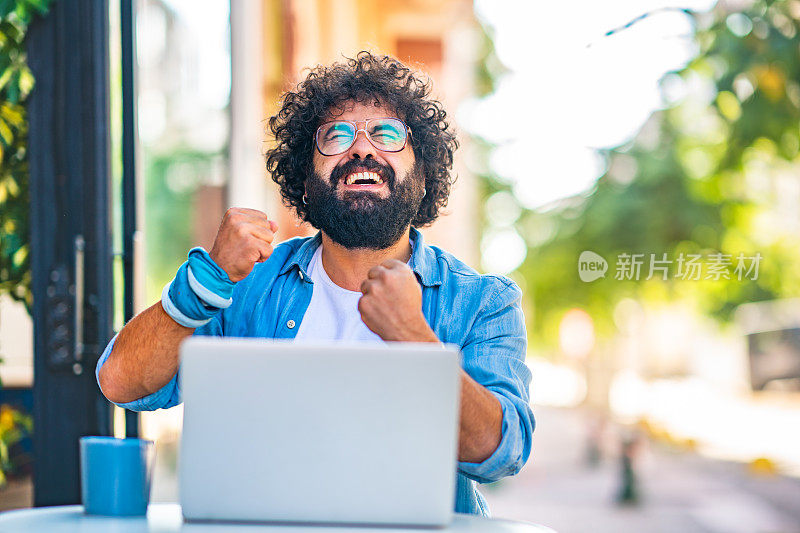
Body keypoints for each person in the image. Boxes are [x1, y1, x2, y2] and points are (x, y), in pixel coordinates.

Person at [96, 51, 534, 516]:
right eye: (336, 135)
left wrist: (415, 339)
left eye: (387, 134)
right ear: (305, 183)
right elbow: (120, 383)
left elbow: (501, 451)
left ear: (423, 177)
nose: (362, 149)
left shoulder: (484, 302)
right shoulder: (245, 284)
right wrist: (207, 280)